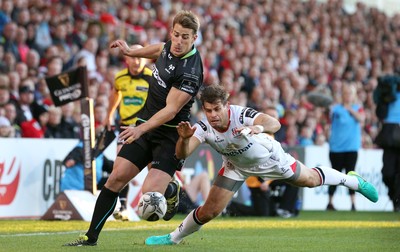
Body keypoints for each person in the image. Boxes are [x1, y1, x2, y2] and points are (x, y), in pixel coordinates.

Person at [145, 84, 378, 246]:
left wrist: (257, 128)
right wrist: (184, 138)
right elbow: (181, 153)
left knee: (310, 180)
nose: (213, 115)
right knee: (210, 211)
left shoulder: (240, 114)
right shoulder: (204, 127)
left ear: (227, 105)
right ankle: (173, 238)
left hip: (269, 159)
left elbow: (273, 123)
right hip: (236, 165)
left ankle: (354, 181)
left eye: (217, 109)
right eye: (209, 110)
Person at [64, 10, 203, 246]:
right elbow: (159, 48)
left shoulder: (190, 71)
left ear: (195, 38)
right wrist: (131, 51)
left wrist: (139, 129)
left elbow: (170, 111)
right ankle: (90, 237)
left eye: (185, 37)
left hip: (170, 135)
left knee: (150, 195)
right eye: (176, 35)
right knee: (116, 178)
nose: (179, 42)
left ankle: (171, 190)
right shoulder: (170, 46)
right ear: (172, 32)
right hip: (145, 126)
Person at [105, 44, 152, 221]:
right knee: (119, 168)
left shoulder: (151, 78)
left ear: (145, 58)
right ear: (127, 59)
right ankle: (123, 206)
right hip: (125, 128)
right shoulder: (120, 78)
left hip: (144, 129)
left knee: (152, 169)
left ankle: (156, 201)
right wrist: (109, 115)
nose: (137, 60)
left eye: (140, 57)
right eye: (133, 57)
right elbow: (115, 95)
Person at [326, 84, 365, 211]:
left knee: (351, 175)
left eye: (350, 93)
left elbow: (362, 119)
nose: (347, 95)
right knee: (334, 174)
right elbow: (328, 116)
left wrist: (350, 110)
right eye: (345, 93)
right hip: (336, 148)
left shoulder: (357, 108)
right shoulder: (336, 109)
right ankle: (330, 202)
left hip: (351, 148)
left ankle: (353, 203)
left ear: (353, 95)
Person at [373, 75, 400, 212]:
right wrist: (384, 99)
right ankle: (393, 195)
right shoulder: (388, 93)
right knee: (388, 173)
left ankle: (398, 202)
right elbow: (380, 115)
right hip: (389, 135)